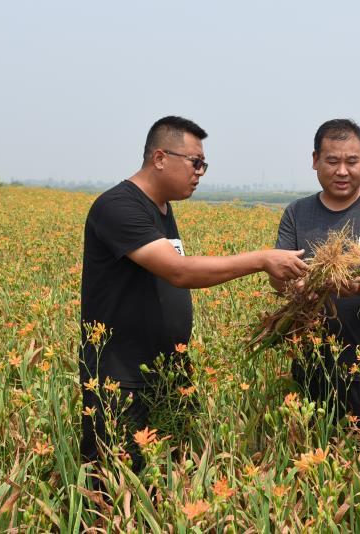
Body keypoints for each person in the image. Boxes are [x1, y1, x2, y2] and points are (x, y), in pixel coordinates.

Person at [80, 116, 307, 470]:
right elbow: (178, 271)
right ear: (159, 158)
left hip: (167, 375)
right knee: (116, 486)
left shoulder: (161, 208)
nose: (200, 172)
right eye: (195, 162)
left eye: (204, 164)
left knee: (169, 480)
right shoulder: (118, 206)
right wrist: (262, 260)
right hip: (120, 382)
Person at [270, 119, 360, 429]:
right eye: (332, 161)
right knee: (311, 449)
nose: (342, 171)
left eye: (352, 161)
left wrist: (357, 286)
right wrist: (302, 286)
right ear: (315, 160)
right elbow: (279, 277)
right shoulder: (297, 212)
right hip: (310, 358)